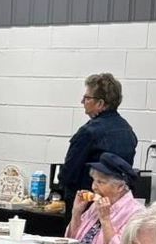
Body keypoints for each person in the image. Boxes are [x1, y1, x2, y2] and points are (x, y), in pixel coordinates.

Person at [57, 72, 137, 206]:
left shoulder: (88, 132)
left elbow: (68, 175)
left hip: (88, 204)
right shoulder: (128, 130)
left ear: (100, 103)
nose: (82, 102)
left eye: (87, 98)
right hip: (118, 204)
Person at [64, 153, 141, 244]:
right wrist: (76, 213)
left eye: (100, 182)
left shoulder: (136, 214)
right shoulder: (96, 206)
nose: (93, 187)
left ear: (120, 187)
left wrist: (105, 220)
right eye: (94, 181)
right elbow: (70, 241)